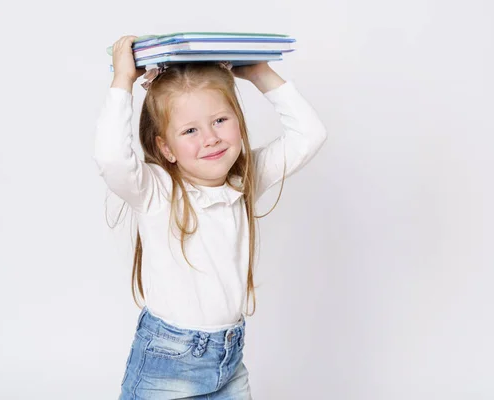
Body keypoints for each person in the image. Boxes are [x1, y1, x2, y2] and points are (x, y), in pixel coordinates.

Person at [94, 35, 327, 399]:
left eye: (220, 120)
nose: (211, 138)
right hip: (168, 359)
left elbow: (310, 135)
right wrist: (122, 82)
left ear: (238, 119)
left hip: (229, 359)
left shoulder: (245, 178)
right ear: (165, 148)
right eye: (190, 130)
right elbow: (111, 160)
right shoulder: (157, 191)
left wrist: (260, 73)